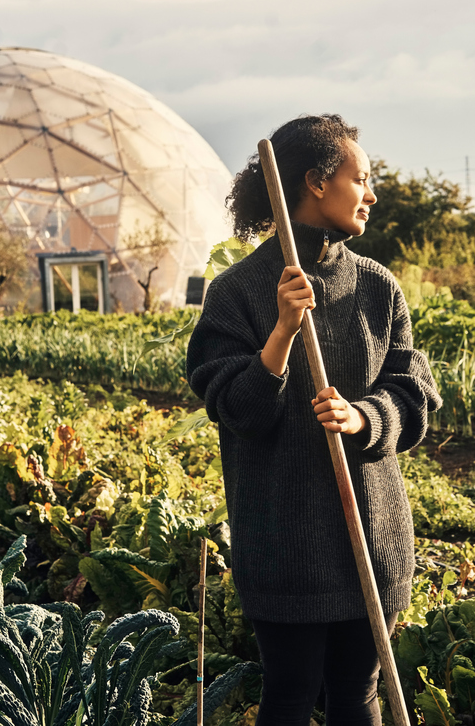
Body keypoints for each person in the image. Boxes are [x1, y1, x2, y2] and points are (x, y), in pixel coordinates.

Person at [186, 114, 443, 726]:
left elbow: (414, 391)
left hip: (371, 536)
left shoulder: (377, 287)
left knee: (357, 693)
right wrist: (280, 333)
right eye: (363, 178)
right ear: (317, 182)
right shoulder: (239, 291)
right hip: (286, 543)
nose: (372, 193)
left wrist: (363, 417)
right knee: (292, 693)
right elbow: (233, 409)